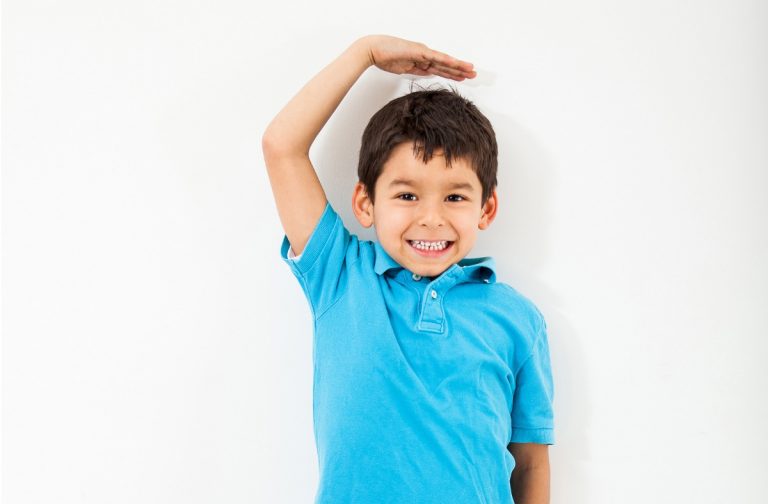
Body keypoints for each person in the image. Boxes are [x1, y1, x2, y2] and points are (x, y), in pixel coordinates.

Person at [261, 34, 554, 504]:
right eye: (407, 195)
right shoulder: (341, 276)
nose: (431, 218)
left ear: (486, 208)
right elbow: (281, 146)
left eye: (454, 196)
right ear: (365, 202)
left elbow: (532, 462)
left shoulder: (519, 319)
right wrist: (365, 53)